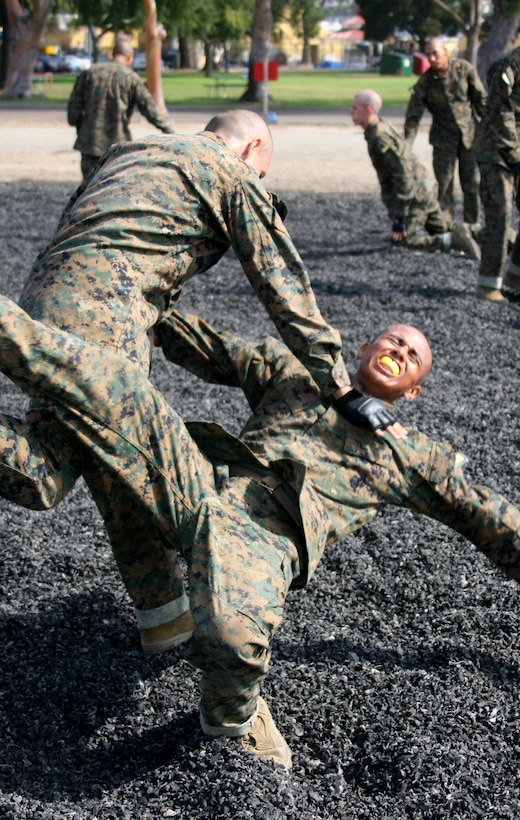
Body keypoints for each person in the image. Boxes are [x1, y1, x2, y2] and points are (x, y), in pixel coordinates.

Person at [0, 295, 520, 771]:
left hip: (264, 536)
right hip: (204, 477)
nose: (398, 352)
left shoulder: (411, 456)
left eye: (412, 357)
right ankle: (164, 608)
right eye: (393, 341)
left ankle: (232, 719)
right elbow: (206, 344)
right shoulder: (298, 372)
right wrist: (135, 307)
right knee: (114, 388)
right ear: (362, 349)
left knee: (234, 643)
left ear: (414, 391)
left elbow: (495, 521)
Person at [8, 108, 395, 655]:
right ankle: (171, 618)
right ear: (251, 146)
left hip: (42, 301)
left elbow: (81, 224)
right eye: (263, 171)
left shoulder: (129, 152)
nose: (261, 181)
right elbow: (283, 286)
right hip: (105, 319)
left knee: (49, 470)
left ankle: (164, 617)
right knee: (134, 463)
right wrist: (340, 385)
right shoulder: (231, 173)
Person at [351, 90, 481, 259]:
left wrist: (400, 216)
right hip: (424, 187)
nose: (351, 112)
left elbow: (402, 173)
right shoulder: (382, 126)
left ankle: (454, 242)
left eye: (355, 108)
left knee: (404, 241)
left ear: (368, 110)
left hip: (416, 196)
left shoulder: (379, 137)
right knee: (441, 228)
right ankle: (496, 235)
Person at [474, 9, 520, 306]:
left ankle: (518, 272)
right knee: (500, 216)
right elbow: (500, 112)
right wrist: (514, 152)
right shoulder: (509, 65)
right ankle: (488, 283)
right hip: (496, 151)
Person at [404, 38, 486, 225]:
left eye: (436, 53)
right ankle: (446, 227)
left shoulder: (464, 70)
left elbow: (481, 101)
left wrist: (491, 130)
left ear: (445, 52)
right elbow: (413, 117)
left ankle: (472, 226)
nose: (432, 58)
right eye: (428, 55)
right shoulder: (425, 83)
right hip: (443, 140)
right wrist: (407, 145)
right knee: (444, 185)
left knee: (472, 184)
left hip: (469, 138)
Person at [67, 37, 174, 180]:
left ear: (113, 54)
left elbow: (74, 109)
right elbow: (149, 109)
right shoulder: (131, 78)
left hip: (90, 143)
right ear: (129, 57)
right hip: (118, 146)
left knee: (89, 192)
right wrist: (168, 130)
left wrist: (81, 127)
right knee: (114, 191)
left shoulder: (90, 73)